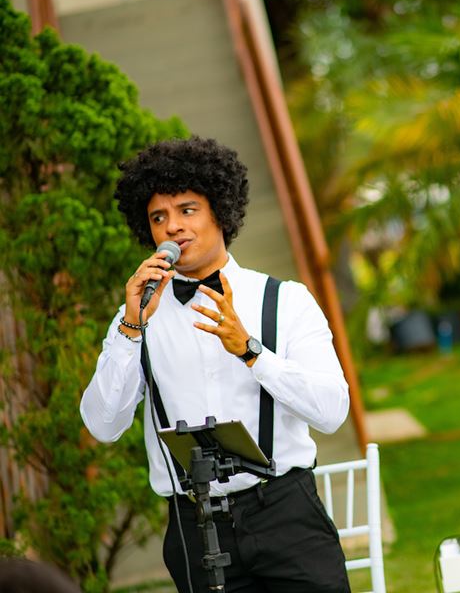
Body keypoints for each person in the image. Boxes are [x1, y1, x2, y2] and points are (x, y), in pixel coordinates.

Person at [80, 137, 351, 592]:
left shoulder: (285, 300)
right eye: (159, 217)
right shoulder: (136, 318)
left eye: (188, 210)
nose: (173, 228)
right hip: (193, 522)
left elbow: (331, 411)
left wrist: (251, 351)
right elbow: (102, 426)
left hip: (286, 514)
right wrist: (129, 329)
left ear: (220, 212)